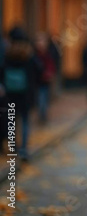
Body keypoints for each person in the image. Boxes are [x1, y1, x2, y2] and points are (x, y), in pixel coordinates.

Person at [1, 27, 42, 160]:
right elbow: (38, 70)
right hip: (25, 95)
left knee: (12, 120)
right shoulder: (28, 55)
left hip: (11, 94)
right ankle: (24, 149)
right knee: (25, 121)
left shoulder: (8, 54)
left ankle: (14, 147)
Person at [34, 32, 56, 124]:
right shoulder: (34, 54)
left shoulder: (48, 54)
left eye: (42, 41)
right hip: (38, 81)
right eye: (39, 41)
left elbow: (51, 65)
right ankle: (41, 115)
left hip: (45, 80)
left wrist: (50, 73)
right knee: (40, 99)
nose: (40, 43)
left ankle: (43, 115)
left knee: (44, 98)